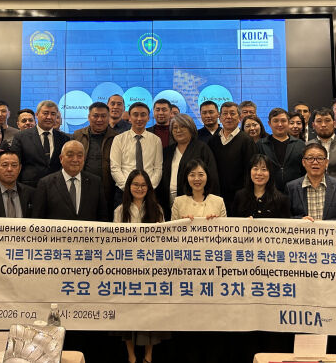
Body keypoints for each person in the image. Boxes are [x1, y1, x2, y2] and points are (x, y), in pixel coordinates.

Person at [113, 170, 166, 363]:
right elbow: (115, 242)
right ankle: (131, 355)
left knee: (149, 314)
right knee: (129, 314)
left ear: (149, 188)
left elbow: (163, 242)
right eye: (135, 184)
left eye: (143, 185)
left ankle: (149, 355)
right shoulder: (120, 211)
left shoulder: (157, 209)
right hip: (127, 269)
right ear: (129, 187)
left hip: (150, 269)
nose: (139, 188)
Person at [158, 114, 218, 220]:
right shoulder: (168, 151)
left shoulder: (202, 148)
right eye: (175, 128)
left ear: (191, 128)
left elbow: (212, 177)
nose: (178, 130)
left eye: (182, 126)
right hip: (168, 202)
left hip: (194, 202)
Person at [32, 141, 107, 221]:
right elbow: (37, 219)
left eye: (80, 156)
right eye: (70, 155)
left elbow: (103, 217)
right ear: (61, 158)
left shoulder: (96, 183)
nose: (75, 160)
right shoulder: (45, 184)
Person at [286, 143, 336, 221]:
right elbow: (284, 217)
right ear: (303, 162)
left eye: (320, 158)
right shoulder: (291, 187)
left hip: (330, 229)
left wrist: (324, 225)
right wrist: (300, 220)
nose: (315, 162)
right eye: (310, 158)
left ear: (326, 162)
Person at [8, 100, 71, 188]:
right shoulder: (21, 137)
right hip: (29, 188)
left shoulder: (64, 139)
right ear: (37, 115)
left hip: (56, 187)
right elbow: (15, 164)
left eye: (53, 114)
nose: (49, 117)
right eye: (45, 113)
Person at [110, 103, 163, 205]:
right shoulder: (119, 139)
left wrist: (148, 187)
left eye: (143, 115)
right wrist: (129, 187)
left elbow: (158, 168)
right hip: (123, 192)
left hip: (149, 192)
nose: (139, 118)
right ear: (129, 117)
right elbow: (115, 168)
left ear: (148, 118)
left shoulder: (156, 140)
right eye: (135, 115)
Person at [208, 102, 256, 214]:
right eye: (225, 113)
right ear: (220, 118)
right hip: (217, 196)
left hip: (241, 197)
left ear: (239, 117)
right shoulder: (213, 140)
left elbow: (250, 171)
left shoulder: (247, 141)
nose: (228, 117)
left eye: (232, 113)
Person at [73, 103, 118, 216]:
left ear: (108, 117)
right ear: (89, 117)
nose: (99, 120)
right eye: (95, 116)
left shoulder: (117, 138)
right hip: (82, 189)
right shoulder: (77, 135)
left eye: (103, 116)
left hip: (108, 191)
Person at [257, 108, 304, 194]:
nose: (280, 124)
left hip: (295, 192)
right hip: (268, 192)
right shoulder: (261, 144)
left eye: (283, 121)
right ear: (269, 123)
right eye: (275, 121)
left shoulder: (300, 144)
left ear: (288, 122)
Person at [232, 154, 290, 218]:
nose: (259, 173)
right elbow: (233, 222)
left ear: (270, 173)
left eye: (264, 169)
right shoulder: (240, 196)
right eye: (255, 169)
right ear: (249, 172)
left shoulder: (281, 200)